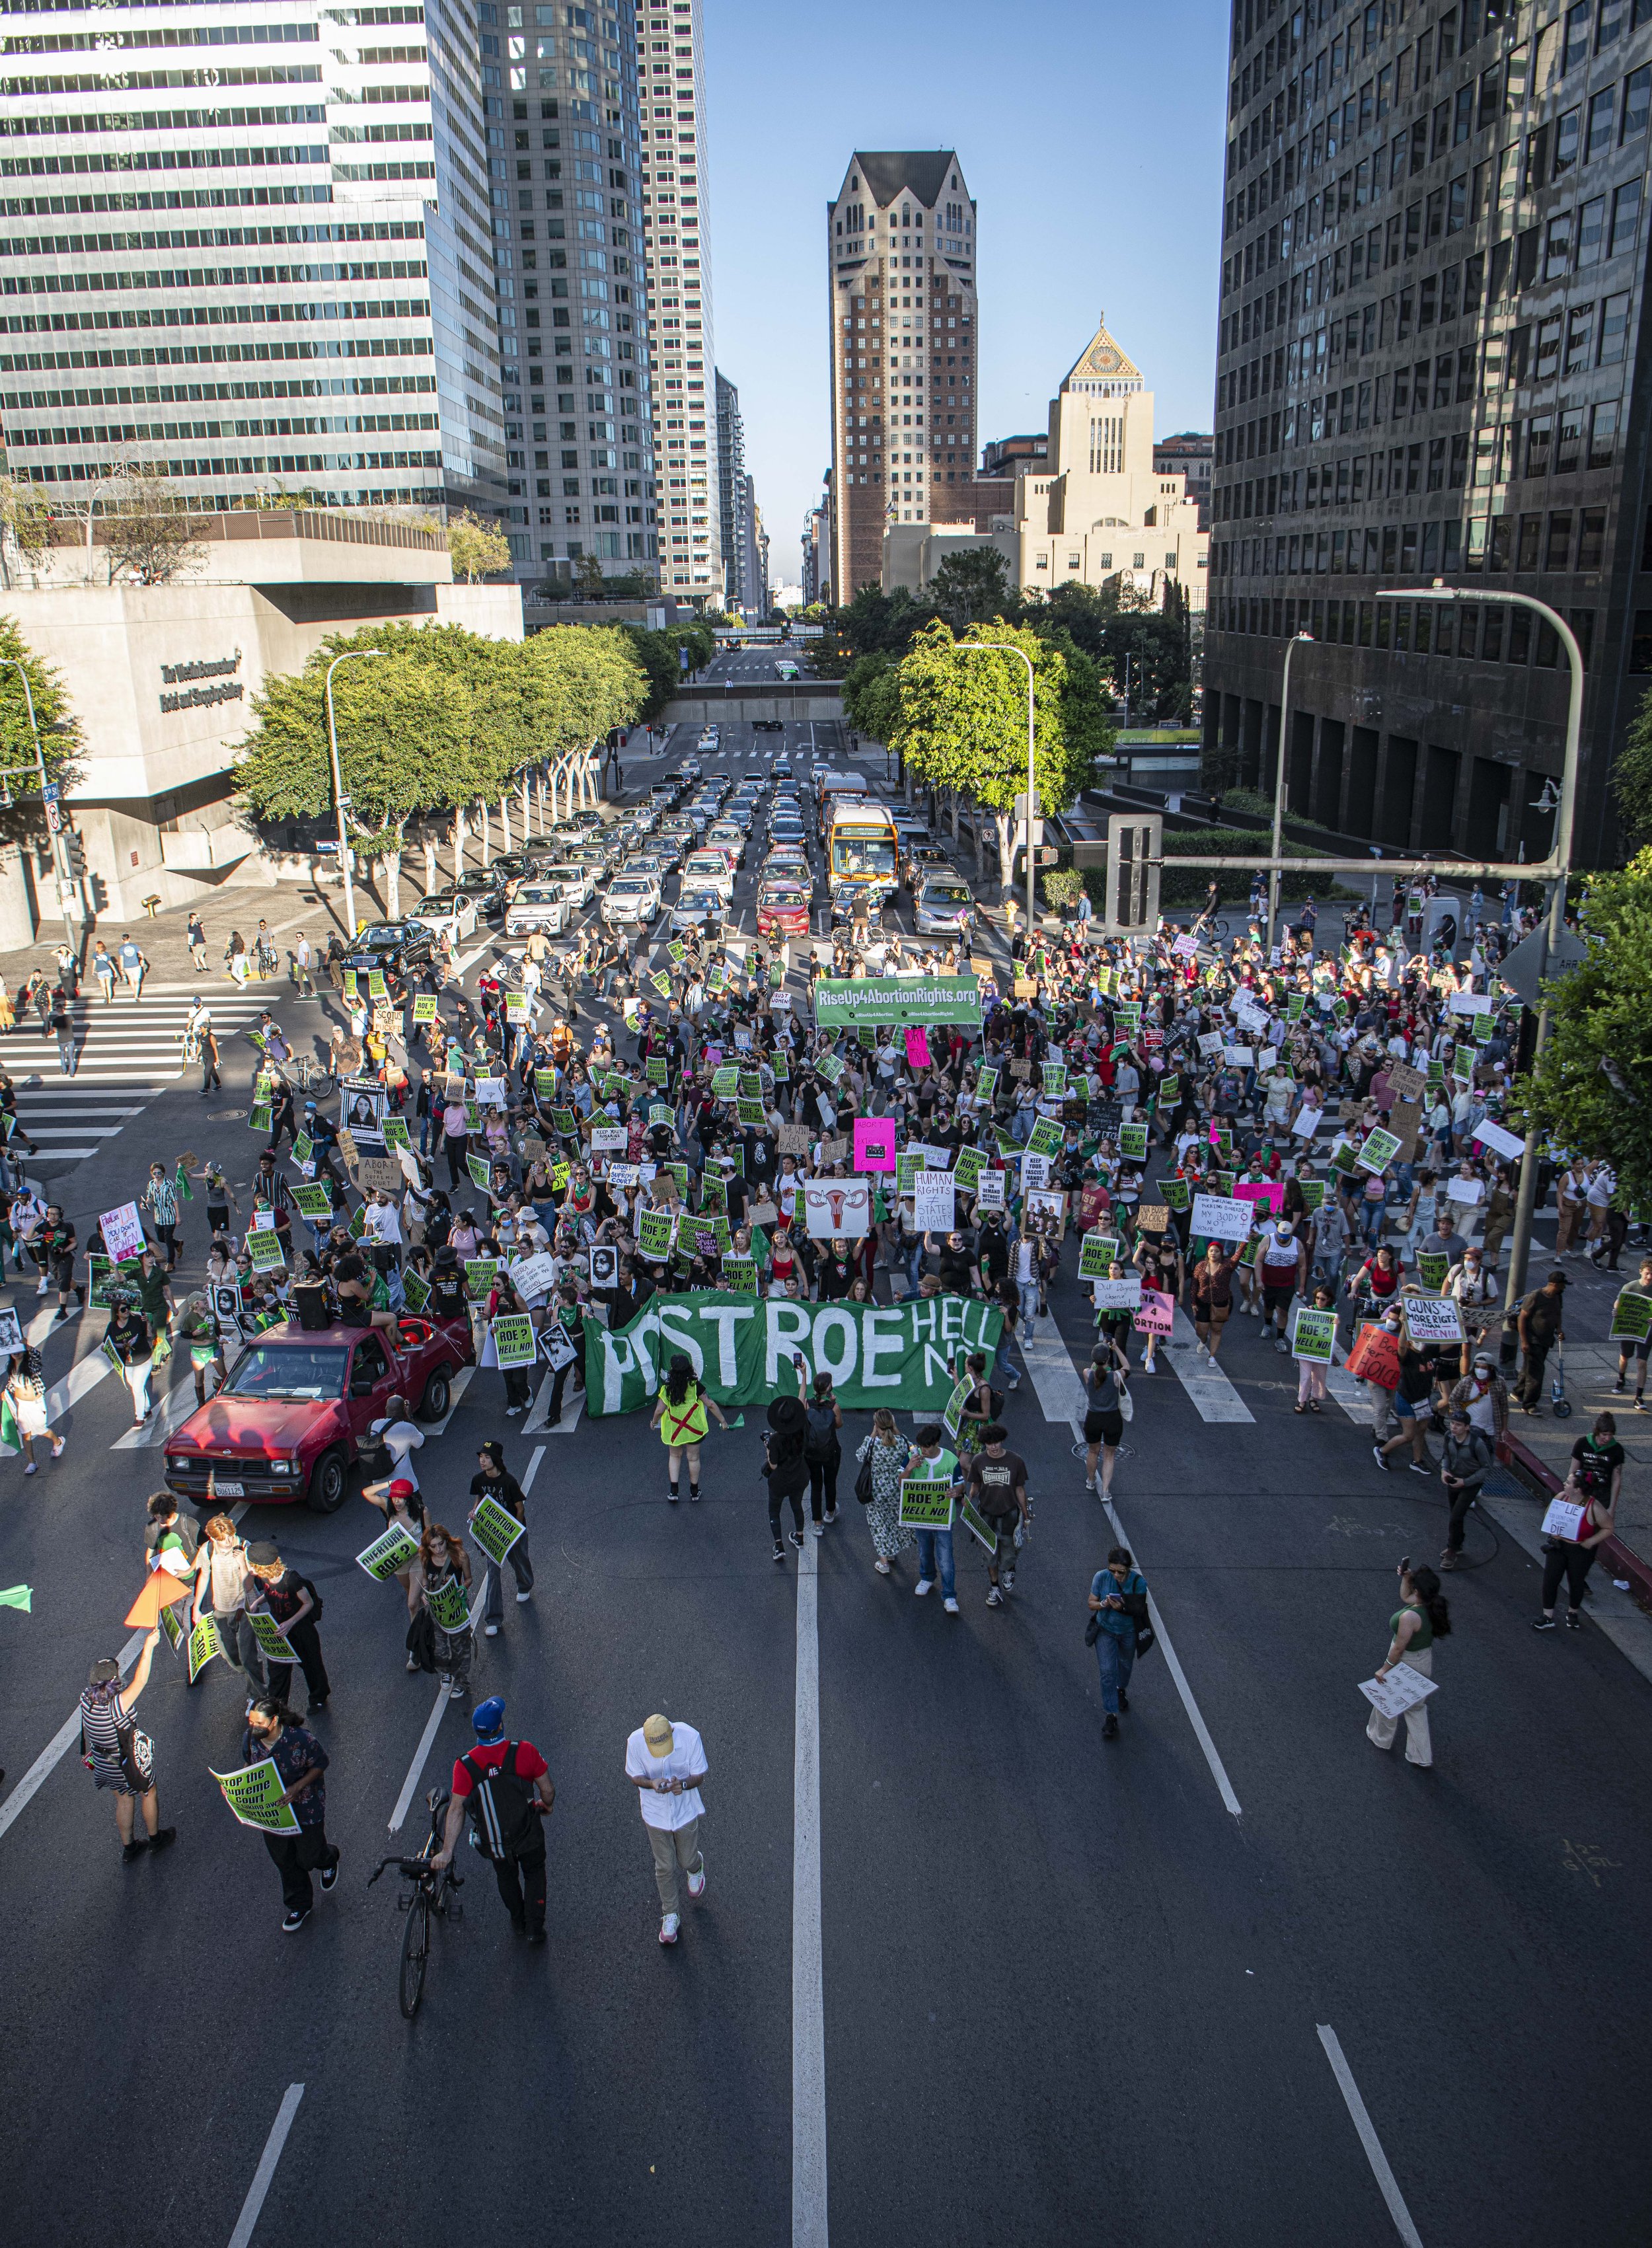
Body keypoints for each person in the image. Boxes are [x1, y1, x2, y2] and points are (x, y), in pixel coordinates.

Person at [430, 1698, 556, 1944]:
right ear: (500, 1727)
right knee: (534, 1873)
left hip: (495, 1842)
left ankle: (518, 1921)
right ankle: (534, 1928)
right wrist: (547, 1805)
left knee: (506, 1876)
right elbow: (547, 1789)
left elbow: (456, 1810)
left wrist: (446, 1852)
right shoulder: (525, 1751)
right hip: (528, 1833)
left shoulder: (464, 1766)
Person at [243, 1694, 339, 1932]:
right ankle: (299, 1904)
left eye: (259, 1724)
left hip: (306, 1808)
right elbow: (248, 1765)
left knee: (308, 1857)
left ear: (274, 1721)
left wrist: (297, 1787)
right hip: (273, 1814)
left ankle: (328, 1858)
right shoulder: (249, 1739)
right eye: (251, 1722)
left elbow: (321, 1762)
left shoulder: (301, 1739)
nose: (254, 1728)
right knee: (284, 1860)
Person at [79, 1634, 176, 1862]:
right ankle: (155, 1839)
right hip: (127, 1761)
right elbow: (140, 1681)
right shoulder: (117, 1706)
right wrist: (148, 1648)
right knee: (148, 1792)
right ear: (114, 1678)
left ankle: (130, 1848)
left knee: (123, 1798)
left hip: (105, 1762)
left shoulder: (85, 1699)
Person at [624, 1709, 708, 1949]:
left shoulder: (691, 1737)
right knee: (665, 1866)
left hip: (685, 1811)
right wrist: (650, 1783)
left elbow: (699, 1775)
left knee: (686, 1860)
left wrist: (681, 1784)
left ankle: (696, 1867)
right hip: (655, 1814)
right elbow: (634, 1776)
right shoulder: (635, 1742)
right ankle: (670, 1914)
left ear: (672, 1731)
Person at [1534, 1412, 1624, 1631]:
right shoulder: (1561, 1497)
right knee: (1550, 1580)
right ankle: (1547, 1616)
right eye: (1604, 1435)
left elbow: (1608, 1527)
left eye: (1569, 1483)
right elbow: (1550, 1516)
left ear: (1578, 1488)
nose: (1565, 1484)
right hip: (1559, 1546)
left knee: (1576, 1582)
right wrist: (1553, 1532)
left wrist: (1590, 1542)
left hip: (1579, 1550)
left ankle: (1573, 1613)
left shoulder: (1593, 1507)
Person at [1366, 1561, 1450, 1768]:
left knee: (1387, 1701)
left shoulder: (1409, 1616)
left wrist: (1384, 1669)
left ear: (1417, 1590)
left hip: (1405, 1662)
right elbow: (1406, 1597)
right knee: (1416, 1708)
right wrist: (1406, 1577)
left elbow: (1398, 1649)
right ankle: (1421, 1755)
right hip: (1423, 1660)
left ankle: (1381, 1738)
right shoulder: (1430, 1605)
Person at [245, 1540, 330, 1709]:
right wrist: (258, 1602)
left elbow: (308, 1604)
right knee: (277, 1671)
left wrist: (290, 1623)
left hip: (300, 1630)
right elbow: (270, 1592)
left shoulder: (291, 1579)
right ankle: (277, 1708)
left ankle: (318, 1698)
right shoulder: (263, 1577)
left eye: (252, 1565)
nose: (250, 1568)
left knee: (311, 1665)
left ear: (264, 1566)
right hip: (279, 1631)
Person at [469, 1439, 534, 1636]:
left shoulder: (509, 1482)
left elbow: (520, 1508)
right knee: (493, 1573)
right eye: (481, 1457)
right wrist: (473, 1512)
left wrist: (514, 1533)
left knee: (520, 1562)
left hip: (513, 1533)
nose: (482, 1461)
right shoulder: (478, 1480)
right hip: (492, 1536)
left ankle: (525, 1585)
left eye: (487, 1457)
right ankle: (493, 1619)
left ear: (496, 1460)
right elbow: (479, 1500)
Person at [649, 1351, 729, 1503]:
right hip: (694, 1430)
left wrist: (653, 1423)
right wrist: (723, 1421)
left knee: (674, 1456)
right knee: (693, 1459)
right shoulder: (695, 1386)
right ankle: (694, 1491)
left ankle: (674, 1492)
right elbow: (710, 1404)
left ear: (672, 1371)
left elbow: (659, 1410)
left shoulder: (667, 1390)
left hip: (674, 1432)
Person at [965, 1424, 1030, 1609]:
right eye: (989, 1443)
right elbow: (975, 1486)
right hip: (986, 1516)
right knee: (989, 1555)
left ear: (1002, 1440)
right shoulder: (978, 1461)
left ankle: (1009, 1569)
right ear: (984, 1443)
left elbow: (1019, 1489)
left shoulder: (1015, 1461)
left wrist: (1025, 1514)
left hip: (1009, 1515)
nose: (993, 1447)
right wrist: (969, 1500)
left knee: (1009, 1553)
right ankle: (994, 1587)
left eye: (996, 1442)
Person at [192, 1512, 262, 1682]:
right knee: (227, 1653)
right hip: (222, 1609)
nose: (230, 1542)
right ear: (213, 1539)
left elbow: (250, 1586)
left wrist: (242, 1565)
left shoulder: (245, 1547)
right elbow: (204, 1576)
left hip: (245, 1607)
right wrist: (196, 1607)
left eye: (231, 1536)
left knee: (247, 1656)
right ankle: (251, 1672)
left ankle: (257, 1694)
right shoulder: (207, 1550)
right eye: (224, 1540)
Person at [1088, 1546, 1148, 1741]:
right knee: (1107, 1671)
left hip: (1128, 1633)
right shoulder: (1101, 1577)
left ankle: (1120, 1689)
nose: (1116, 1576)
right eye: (1112, 1570)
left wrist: (1122, 1607)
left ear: (1128, 1569)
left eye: (1120, 1572)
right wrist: (1103, 1605)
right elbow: (1091, 1603)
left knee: (1125, 1665)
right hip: (1105, 1630)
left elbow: (1139, 1610)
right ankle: (1111, 1714)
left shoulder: (1139, 1583)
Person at [408, 1520, 474, 1698]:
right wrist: (424, 1593)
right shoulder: (425, 1558)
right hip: (437, 1609)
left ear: (447, 1540)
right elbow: (425, 1580)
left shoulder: (459, 1556)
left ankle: (461, 1682)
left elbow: (468, 1579)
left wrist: (463, 1588)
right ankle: (446, 1671)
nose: (438, 1549)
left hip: (455, 1608)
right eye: (433, 1546)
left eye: (441, 1544)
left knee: (459, 1645)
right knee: (440, 1645)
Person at [905, 1423, 961, 1614]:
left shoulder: (951, 1460)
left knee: (946, 1557)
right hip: (921, 1517)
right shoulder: (912, 1457)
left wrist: (956, 1492)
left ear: (937, 1443)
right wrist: (909, 1468)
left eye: (927, 1447)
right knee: (924, 1551)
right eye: (921, 1446)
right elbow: (901, 1482)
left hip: (943, 1518)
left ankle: (949, 1595)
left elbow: (961, 1485)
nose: (923, 1451)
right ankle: (927, 1577)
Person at [854, 1408, 915, 1577]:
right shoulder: (902, 1441)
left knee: (879, 1524)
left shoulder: (873, 1444)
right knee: (893, 1521)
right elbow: (911, 1452)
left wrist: (872, 1434)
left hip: (876, 1491)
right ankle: (891, 1551)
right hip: (897, 1489)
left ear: (876, 1425)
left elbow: (860, 1456)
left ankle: (883, 1562)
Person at [1437, 1409, 1494, 1569]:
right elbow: (1446, 1455)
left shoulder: (1478, 1444)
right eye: (1452, 1423)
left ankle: (1452, 1551)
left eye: (1458, 1425)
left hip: (1470, 1483)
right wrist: (1444, 1470)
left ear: (1467, 1427)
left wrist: (1466, 1482)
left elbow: (1486, 1468)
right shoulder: (1449, 1436)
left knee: (1456, 1516)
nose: (1454, 1427)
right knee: (1456, 1514)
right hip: (1454, 1479)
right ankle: (1458, 1544)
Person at [762, 1392, 809, 1560]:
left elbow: (773, 1465)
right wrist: (803, 1375)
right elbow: (801, 1400)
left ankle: (779, 1546)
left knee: (774, 1511)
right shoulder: (802, 1429)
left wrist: (768, 1448)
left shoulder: (775, 1439)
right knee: (797, 1505)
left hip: (780, 1481)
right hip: (800, 1476)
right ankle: (799, 1536)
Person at [1081, 1339, 1130, 1499]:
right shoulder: (1116, 1377)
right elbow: (1127, 1367)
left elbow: (1095, 1367)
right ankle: (1105, 1491)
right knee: (1109, 1455)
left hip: (1093, 1418)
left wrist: (1100, 1352)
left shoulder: (1087, 1373)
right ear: (1108, 1359)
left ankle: (1090, 1480)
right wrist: (1115, 1347)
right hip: (1112, 1419)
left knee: (1092, 1451)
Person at [1515, 1267, 1567, 1413]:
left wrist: (1559, 1329)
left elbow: (1557, 1313)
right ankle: (1529, 1404)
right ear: (1555, 1284)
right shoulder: (1535, 1297)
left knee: (1529, 1368)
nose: (1564, 1288)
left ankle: (1518, 1391)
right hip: (1533, 1340)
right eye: (1563, 1284)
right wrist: (1524, 1341)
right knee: (1537, 1373)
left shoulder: (1558, 1296)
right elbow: (1522, 1318)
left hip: (1546, 1340)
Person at [6, 1344, 63, 1473]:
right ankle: (32, 1463)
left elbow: (38, 1357)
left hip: (35, 1403)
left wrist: (28, 1347)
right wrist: (6, 1393)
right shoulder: (11, 1368)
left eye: (19, 1350)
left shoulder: (31, 1365)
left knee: (41, 1429)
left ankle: (58, 1442)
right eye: (14, 1351)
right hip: (21, 1405)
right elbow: (11, 1384)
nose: (16, 1353)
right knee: (25, 1435)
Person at [1256, 1215, 1306, 1353]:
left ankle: (1280, 1338)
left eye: (1286, 1237)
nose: (1282, 1239)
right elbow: (1259, 1260)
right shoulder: (1268, 1240)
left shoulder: (1297, 1244)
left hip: (1286, 1285)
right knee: (1268, 1306)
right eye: (1280, 1236)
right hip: (1269, 1283)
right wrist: (1259, 1280)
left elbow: (1302, 1266)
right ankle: (1267, 1324)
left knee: (1282, 1311)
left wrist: (1302, 1285)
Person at [802, 1366, 843, 1532]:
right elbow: (839, 1425)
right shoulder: (834, 1407)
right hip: (831, 1451)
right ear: (828, 1388)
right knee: (830, 1482)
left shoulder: (807, 1404)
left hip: (811, 1452)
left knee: (816, 1485)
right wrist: (833, 1403)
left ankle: (817, 1524)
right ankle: (830, 1512)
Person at [104, 1298, 155, 1427]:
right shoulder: (112, 1327)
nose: (127, 1310)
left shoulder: (137, 1320)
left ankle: (140, 1417)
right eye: (123, 1309)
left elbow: (149, 1335)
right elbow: (106, 1342)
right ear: (117, 1313)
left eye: (128, 1308)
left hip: (143, 1359)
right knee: (136, 1387)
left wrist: (148, 1322)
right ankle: (147, 1408)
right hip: (127, 1363)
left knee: (137, 1388)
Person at [1191, 1240, 1239, 1361]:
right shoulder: (1200, 1266)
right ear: (1207, 1253)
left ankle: (1212, 1356)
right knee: (1200, 1330)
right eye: (1211, 1251)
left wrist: (1245, 1242)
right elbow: (1194, 1285)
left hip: (1221, 1304)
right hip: (1202, 1303)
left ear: (1221, 1253)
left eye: (1217, 1251)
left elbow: (1238, 1255)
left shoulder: (1227, 1265)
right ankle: (1203, 1340)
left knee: (1217, 1330)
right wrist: (1193, 1302)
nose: (1213, 1253)